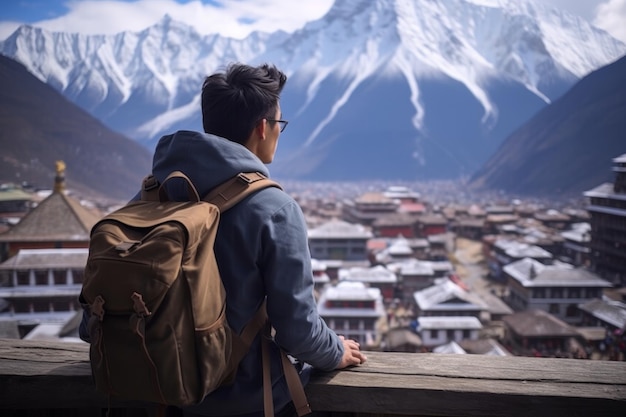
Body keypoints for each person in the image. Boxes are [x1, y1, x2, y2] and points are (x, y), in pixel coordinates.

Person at [81, 62, 366, 416]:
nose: (279, 131)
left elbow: (93, 317)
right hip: (249, 401)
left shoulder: (152, 195)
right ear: (263, 128)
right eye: (280, 123)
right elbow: (298, 330)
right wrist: (335, 351)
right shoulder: (275, 209)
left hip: (157, 395)